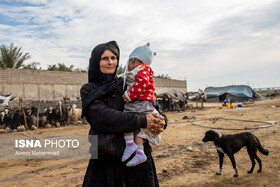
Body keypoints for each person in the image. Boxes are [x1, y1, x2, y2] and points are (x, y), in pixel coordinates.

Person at [80, 41, 166, 187]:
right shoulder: (89, 90)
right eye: (104, 58)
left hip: (139, 163)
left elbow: (150, 106)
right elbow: (103, 118)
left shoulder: (127, 83)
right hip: (106, 164)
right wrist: (144, 121)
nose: (110, 62)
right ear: (96, 61)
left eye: (113, 58)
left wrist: (162, 122)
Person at [121, 43, 160, 167]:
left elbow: (142, 82)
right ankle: (140, 151)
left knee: (126, 117)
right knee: (139, 129)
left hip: (140, 102)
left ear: (132, 59)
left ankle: (130, 145)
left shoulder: (141, 69)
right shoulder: (145, 69)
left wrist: (129, 95)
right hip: (145, 104)